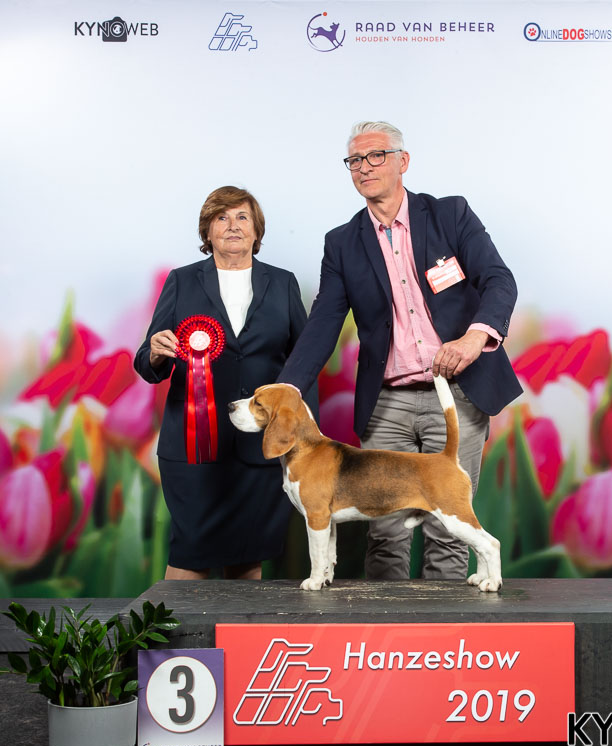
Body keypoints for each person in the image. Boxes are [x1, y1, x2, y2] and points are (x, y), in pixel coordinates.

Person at [279, 121, 522, 581]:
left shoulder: (450, 214)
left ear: (402, 162)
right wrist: (287, 389)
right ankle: (387, 626)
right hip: (386, 402)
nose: (365, 167)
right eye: (355, 160)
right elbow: (323, 324)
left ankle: (445, 624)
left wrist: (475, 337)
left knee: (448, 533)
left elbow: (498, 280)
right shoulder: (342, 242)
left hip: (458, 393)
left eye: (377, 156)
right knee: (385, 532)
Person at [135, 186, 310, 580]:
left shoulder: (283, 283)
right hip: (193, 449)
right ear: (208, 232)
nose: (233, 225)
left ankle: (240, 627)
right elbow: (147, 363)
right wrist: (157, 352)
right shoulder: (181, 281)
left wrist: (297, 434)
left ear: (256, 230)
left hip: (261, 446)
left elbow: (302, 364)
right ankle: (177, 627)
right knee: (190, 556)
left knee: (248, 558)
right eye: (222, 218)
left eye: (242, 217)